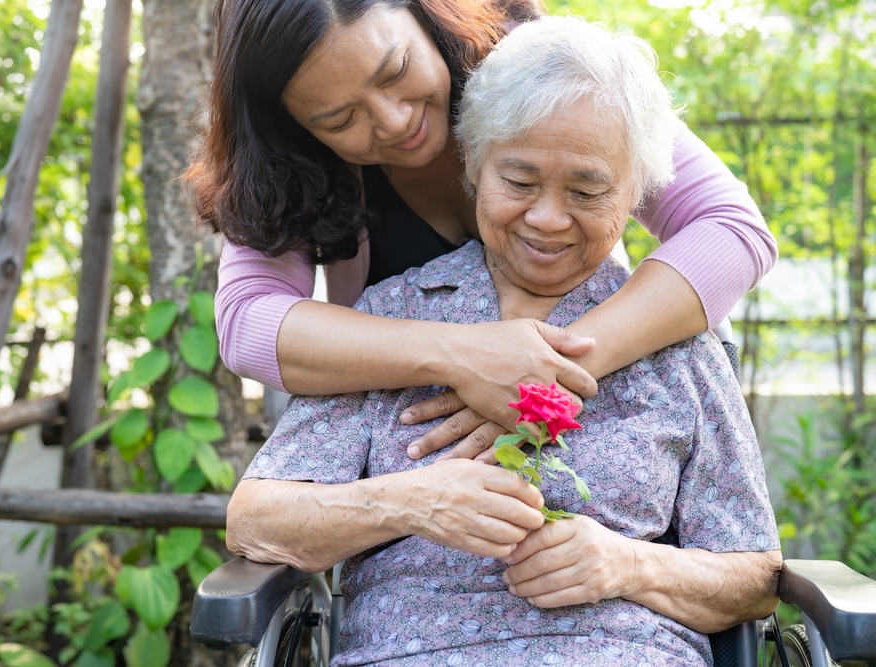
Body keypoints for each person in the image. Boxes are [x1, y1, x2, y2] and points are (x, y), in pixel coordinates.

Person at [226, 17, 781, 665]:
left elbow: (755, 575)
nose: (547, 217)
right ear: (476, 166)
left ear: (636, 194)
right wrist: (411, 500)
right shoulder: (387, 315)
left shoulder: (679, 339)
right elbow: (255, 515)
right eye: (518, 182)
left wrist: (629, 564)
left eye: (586, 189)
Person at [185, 0, 777, 458]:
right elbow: (248, 322)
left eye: (396, 70)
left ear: (426, 13)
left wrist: (549, 379)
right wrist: (461, 355)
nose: (393, 120)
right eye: (340, 119)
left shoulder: (544, 71)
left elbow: (731, 228)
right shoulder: (292, 168)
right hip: (426, 472)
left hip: (604, 431)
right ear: (295, 129)